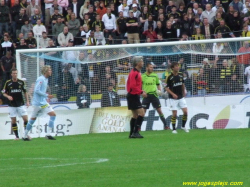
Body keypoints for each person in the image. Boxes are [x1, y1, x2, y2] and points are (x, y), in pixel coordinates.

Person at [23, 65, 56, 141]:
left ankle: (48, 134)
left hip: (43, 102)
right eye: (49, 70)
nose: (51, 71)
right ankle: (25, 135)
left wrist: (45, 96)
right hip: (38, 103)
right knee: (33, 119)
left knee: (53, 114)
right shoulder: (41, 79)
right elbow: (36, 90)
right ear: (45, 71)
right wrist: (46, 95)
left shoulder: (46, 79)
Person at [2, 68, 30, 140]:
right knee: (13, 120)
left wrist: (27, 101)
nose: (15, 75)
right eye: (14, 73)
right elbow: (3, 92)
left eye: (16, 73)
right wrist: (8, 96)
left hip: (21, 104)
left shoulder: (21, 82)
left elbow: (25, 92)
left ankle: (26, 134)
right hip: (12, 105)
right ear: (11, 74)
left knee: (26, 119)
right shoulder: (8, 83)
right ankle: (17, 136)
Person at [142, 63, 169, 130]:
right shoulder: (142, 76)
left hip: (154, 95)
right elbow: (139, 86)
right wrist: (142, 92)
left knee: (159, 111)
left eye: (152, 67)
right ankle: (138, 127)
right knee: (143, 112)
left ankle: (166, 126)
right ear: (146, 68)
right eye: (150, 67)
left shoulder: (155, 75)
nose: (152, 68)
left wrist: (159, 90)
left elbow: (158, 84)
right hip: (146, 96)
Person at [165, 62, 189, 134]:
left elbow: (182, 84)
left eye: (178, 66)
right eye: (176, 66)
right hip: (173, 98)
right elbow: (166, 87)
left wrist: (184, 91)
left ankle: (183, 126)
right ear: (172, 68)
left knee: (185, 112)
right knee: (174, 114)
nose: (178, 67)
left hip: (181, 97)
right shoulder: (169, 77)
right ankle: (174, 129)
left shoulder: (181, 75)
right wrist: (173, 94)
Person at [126, 56, 147, 138]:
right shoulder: (134, 73)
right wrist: (141, 92)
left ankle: (131, 134)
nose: (143, 63)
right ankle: (135, 132)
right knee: (142, 113)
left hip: (133, 95)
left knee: (135, 115)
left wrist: (141, 91)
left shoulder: (136, 72)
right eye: (141, 61)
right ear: (138, 63)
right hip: (133, 95)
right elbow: (132, 86)